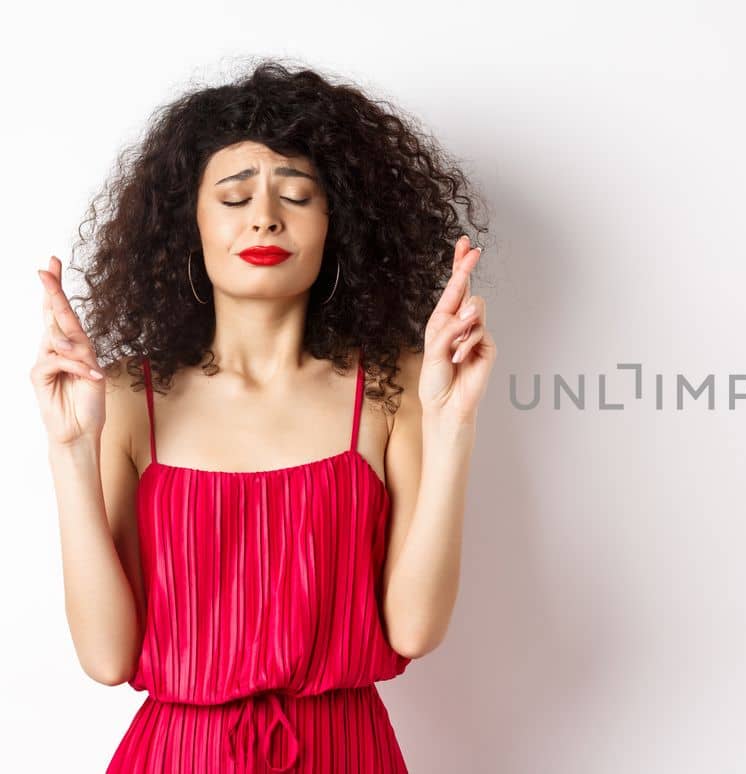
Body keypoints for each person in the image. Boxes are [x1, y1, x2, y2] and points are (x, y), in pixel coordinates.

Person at [28, 60, 497, 772]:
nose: (265, 216)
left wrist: (453, 421)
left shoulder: (394, 387)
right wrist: (68, 447)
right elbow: (105, 656)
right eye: (234, 196)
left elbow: (413, 628)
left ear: (337, 225)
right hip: (180, 757)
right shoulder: (125, 397)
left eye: (298, 195)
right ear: (189, 225)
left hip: (348, 754)